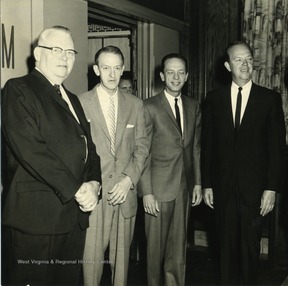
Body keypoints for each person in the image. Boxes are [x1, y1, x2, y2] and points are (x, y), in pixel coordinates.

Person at [1, 25, 101, 286]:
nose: (64, 58)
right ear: (37, 53)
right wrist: (78, 189)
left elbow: (90, 149)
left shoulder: (72, 97)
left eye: (70, 52)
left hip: (73, 220)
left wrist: (94, 183)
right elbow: (32, 151)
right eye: (56, 50)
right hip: (37, 221)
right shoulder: (18, 89)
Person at [201, 40, 286, 285]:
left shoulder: (269, 99)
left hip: (255, 189)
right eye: (238, 59)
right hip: (222, 187)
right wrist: (207, 183)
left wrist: (271, 188)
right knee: (224, 247)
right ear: (228, 65)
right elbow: (207, 145)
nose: (245, 64)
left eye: (248, 58)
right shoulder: (213, 99)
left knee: (250, 248)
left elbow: (276, 149)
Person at [79, 45, 149, 286]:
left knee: (121, 268)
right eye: (106, 68)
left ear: (122, 70)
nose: (112, 74)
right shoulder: (80, 102)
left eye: (117, 68)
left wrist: (129, 178)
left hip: (125, 194)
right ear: (96, 69)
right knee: (91, 265)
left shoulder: (135, 104)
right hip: (94, 196)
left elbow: (142, 147)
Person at [138, 53, 202, 286]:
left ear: (186, 76)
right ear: (162, 75)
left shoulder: (193, 105)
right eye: (171, 72)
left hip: (184, 189)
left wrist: (197, 183)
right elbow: (142, 153)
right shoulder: (148, 106)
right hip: (157, 191)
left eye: (180, 72)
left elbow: (195, 147)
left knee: (178, 251)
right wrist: (147, 192)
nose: (176, 77)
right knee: (154, 252)